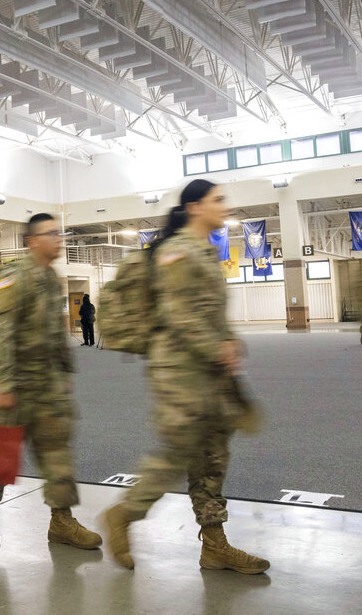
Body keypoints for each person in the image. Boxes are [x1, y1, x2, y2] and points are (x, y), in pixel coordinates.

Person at [103, 180, 269, 574]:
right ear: (195, 207)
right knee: (179, 450)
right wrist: (218, 347)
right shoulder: (177, 252)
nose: (225, 206)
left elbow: (206, 312)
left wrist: (227, 340)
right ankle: (124, 514)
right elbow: (179, 316)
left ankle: (214, 545)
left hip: (207, 370)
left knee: (212, 456)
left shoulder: (203, 251)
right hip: (179, 371)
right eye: (218, 200)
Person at [0, 213, 102, 550]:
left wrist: (65, 372)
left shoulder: (51, 277)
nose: (59, 238)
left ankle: (62, 520)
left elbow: (56, 332)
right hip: (10, 380)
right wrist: (3, 385)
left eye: (60, 232)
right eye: (51, 233)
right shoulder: (14, 278)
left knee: (57, 450)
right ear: (31, 241)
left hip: (46, 382)